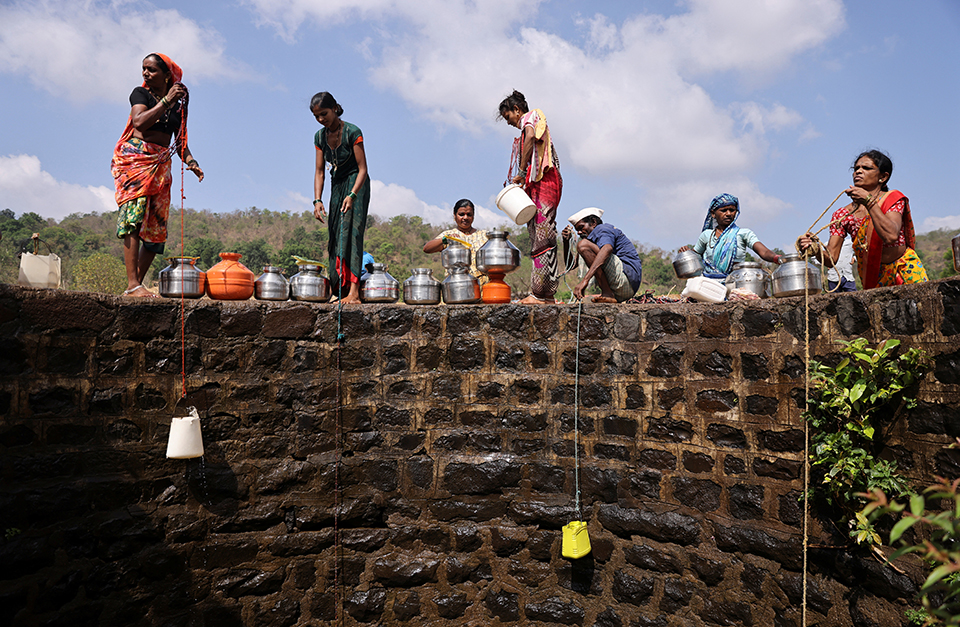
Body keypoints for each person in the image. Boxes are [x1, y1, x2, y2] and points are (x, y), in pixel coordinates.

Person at [112, 53, 203, 297]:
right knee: (133, 218)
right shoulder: (140, 94)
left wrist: (192, 162)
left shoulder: (179, 105)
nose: (145, 73)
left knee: (156, 228)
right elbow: (139, 122)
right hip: (136, 160)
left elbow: (180, 142)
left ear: (167, 75)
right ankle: (133, 284)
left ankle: (135, 286)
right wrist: (166, 101)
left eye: (151, 70)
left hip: (162, 164)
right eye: (144, 69)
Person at [799, 150, 927, 288]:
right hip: (873, 277)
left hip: (904, 271)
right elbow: (831, 258)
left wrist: (869, 202)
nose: (858, 172)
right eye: (856, 169)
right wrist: (815, 248)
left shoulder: (892, 199)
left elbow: (890, 236)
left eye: (866, 168)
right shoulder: (842, 214)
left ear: (883, 177)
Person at [498, 90, 561, 304]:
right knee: (539, 234)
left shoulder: (531, 117)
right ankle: (546, 294)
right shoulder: (528, 122)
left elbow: (531, 137)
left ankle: (538, 293)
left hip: (546, 181)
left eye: (508, 117)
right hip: (540, 183)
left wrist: (522, 171)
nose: (508, 123)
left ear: (517, 110)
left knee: (542, 234)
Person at [311, 91, 370, 304]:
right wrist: (317, 200)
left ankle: (354, 292)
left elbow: (363, 169)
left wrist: (353, 195)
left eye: (324, 114)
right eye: (316, 116)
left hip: (357, 183)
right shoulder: (319, 137)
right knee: (335, 234)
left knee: (352, 233)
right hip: (337, 183)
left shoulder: (353, 132)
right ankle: (341, 290)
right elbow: (319, 171)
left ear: (335, 108)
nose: (321, 119)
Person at [679, 193, 782, 279]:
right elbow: (695, 257)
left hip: (735, 282)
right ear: (713, 214)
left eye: (732, 210)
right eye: (723, 210)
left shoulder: (743, 233)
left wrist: (779, 259)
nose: (728, 214)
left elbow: (764, 252)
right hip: (709, 284)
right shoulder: (706, 235)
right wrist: (685, 253)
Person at [561, 208, 642, 303]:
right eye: (577, 230)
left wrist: (585, 280)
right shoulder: (590, 241)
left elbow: (607, 249)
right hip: (623, 288)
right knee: (583, 245)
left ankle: (607, 293)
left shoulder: (602, 229)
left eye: (581, 227)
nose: (579, 232)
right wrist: (566, 242)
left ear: (593, 222)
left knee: (583, 245)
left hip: (626, 280)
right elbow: (571, 265)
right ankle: (608, 293)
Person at [423, 199, 489, 284]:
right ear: (454, 216)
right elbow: (427, 249)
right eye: (461, 214)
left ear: (473, 216)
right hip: (457, 286)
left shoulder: (484, 235)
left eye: (469, 214)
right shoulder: (449, 235)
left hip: (483, 287)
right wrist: (444, 239)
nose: (465, 218)